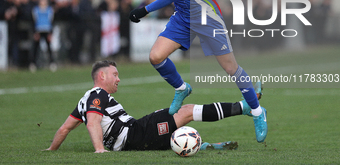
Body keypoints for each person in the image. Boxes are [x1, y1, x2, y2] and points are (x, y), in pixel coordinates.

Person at [120, 0, 267, 143]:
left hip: (205, 14)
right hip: (184, 17)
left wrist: (145, 9)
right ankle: (181, 88)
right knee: (156, 56)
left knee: (231, 68)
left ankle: (258, 112)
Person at [44, 60, 263, 153]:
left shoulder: (83, 100)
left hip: (134, 137)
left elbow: (64, 129)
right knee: (184, 111)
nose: (118, 79)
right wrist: (99, 150)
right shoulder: (97, 94)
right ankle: (245, 107)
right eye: (115, 74)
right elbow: (92, 123)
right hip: (134, 134)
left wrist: (51, 150)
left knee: (174, 126)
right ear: (101, 76)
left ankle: (203, 146)